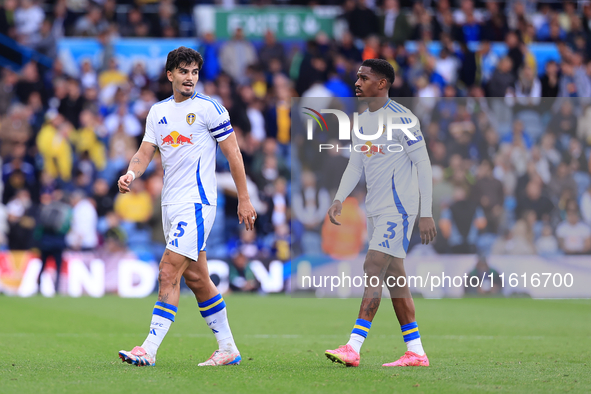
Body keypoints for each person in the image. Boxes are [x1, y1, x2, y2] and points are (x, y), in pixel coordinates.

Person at [117, 47, 256, 367]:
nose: (189, 77)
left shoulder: (210, 109)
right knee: (197, 279)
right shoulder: (158, 112)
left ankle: (148, 349)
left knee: (168, 270)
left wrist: (244, 198)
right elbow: (144, 152)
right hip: (170, 204)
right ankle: (228, 348)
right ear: (170, 75)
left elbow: (234, 154)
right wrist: (131, 173)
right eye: (183, 71)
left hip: (197, 202)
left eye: (194, 72)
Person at [325, 59, 437, 368]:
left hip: (399, 208)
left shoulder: (404, 119)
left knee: (373, 265)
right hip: (375, 208)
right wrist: (339, 198)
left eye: (364, 77)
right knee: (395, 279)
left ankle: (353, 346)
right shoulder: (361, 121)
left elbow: (423, 164)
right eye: (357, 76)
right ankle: (415, 351)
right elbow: (355, 165)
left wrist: (425, 212)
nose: (357, 82)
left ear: (382, 83)